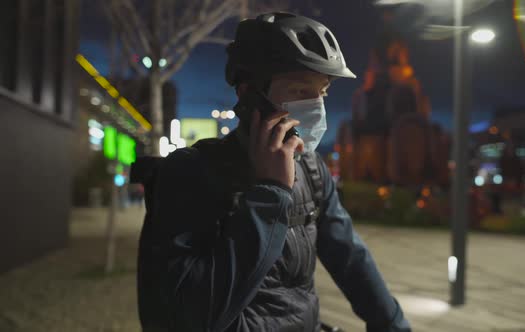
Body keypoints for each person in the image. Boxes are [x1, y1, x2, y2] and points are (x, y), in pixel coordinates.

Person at [135, 12, 411, 332]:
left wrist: (392, 322)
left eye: (322, 92)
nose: (316, 107)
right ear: (249, 93)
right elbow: (192, 316)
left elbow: (350, 256)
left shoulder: (311, 169)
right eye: (299, 91)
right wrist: (271, 193)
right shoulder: (191, 172)